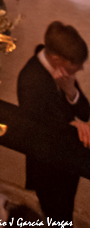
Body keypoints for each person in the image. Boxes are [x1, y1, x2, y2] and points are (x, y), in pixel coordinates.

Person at [17, 20, 90, 219]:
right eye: (77, 64)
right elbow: (41, 128)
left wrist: (71, 91)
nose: (81, 69)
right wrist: (72, 126)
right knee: (55, 217)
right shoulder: (30, 78)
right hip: (47, 168)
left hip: (66, 164)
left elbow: (84, 112)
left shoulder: (63, 73)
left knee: (64, 213)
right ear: (57, 58)